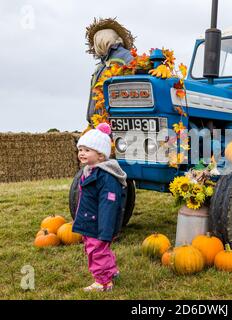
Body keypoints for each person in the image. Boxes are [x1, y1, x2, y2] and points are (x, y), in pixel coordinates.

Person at [73, 122, 127, 291]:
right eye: (80, 149)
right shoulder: (90, 171)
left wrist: (105, 231)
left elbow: (108, 206)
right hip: (91, 219)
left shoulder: (106, 177)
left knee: (97, 251)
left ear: (101, 155)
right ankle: (111, 271)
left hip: (100, 223)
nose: (82, 153)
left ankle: (103, 282)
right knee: (99, 249)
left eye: (87, 150)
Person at [85, 18, 135, 123]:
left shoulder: (126, 57)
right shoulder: (101, 66)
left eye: (98, 42)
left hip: (118, 120)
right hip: (99, 122)